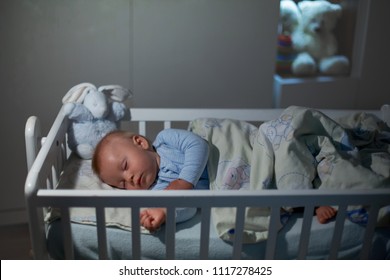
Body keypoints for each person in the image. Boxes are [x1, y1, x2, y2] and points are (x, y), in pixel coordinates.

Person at [92, 129, 209, 232]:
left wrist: (185, 181)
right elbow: (190, 208)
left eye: (125, 165)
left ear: (140, 143)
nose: (129, 178)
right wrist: (164, 211)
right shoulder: (156, 193)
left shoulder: (165, 140)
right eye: (123, 184)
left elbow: (198, 145)